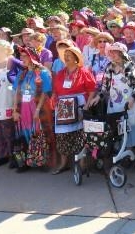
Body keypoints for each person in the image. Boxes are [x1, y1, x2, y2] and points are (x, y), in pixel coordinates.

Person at [51, 46, 96, 175]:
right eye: (65, 55)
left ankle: (82, 164)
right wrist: (54, 96)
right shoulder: (61, 73)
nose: (66, 57)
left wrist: (87, 104)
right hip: (63, 106)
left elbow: (92, 89)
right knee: (62, 135)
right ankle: (64, 163)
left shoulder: (84, 72)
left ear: (76, 59)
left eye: (69, 55)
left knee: (79, 134)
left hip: (78, 104)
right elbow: (55, 89)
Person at [12, 46, 54, 172]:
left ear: (32, 57)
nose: (21, 58)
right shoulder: (21, 73)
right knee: (24, 133)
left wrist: (37, 110)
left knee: (39, 133)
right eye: (21, 56)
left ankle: (41, 161)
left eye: (24, 56)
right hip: (23, 107)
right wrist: (15, 110)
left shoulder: (43, 72)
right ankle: (25, 162)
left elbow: (45, 93)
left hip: (37, 107)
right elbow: (17, 92)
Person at [100, 42, 135, 149]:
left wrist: (132, 99)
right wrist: (99, 96)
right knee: (116, 126)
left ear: (121, 53)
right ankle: (119, 150)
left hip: (128, 102)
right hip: (113, 104)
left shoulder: (129, 66)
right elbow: (105, 87)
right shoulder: (109, 66)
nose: (112, 54)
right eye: (111, 51)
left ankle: (130, 151)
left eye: (115, 51)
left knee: (128, 125)